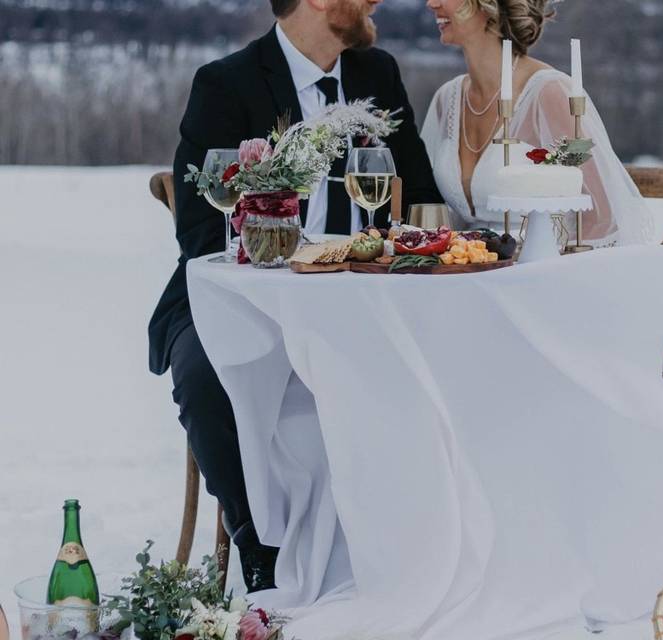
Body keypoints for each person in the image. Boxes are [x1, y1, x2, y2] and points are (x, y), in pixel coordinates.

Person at [148, 0, 442, 592]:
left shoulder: (376, 75)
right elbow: (202, 233)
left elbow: (419, 202)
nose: (375, 2)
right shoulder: (225, 85)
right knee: (206, 379)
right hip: (235, 298)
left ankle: (402, 550)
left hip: (355, 301)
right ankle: (261, 553)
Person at [421, 0, 656, 247]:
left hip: (541, 271)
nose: (431, 3)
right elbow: (437, 214)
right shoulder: (447, 99)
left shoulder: (550, 93)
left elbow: (602, 216)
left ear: (487, 4)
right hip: (470, 274)